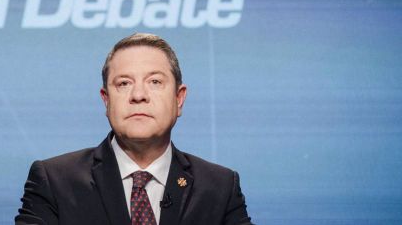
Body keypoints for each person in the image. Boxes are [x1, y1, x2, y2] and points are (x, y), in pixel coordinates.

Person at [15, 32, 255, 225]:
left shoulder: (219, 187)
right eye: (124, 83)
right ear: (106, 100)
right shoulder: (54, 181)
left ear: (179, 99)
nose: (138, 95)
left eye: (155, 82)